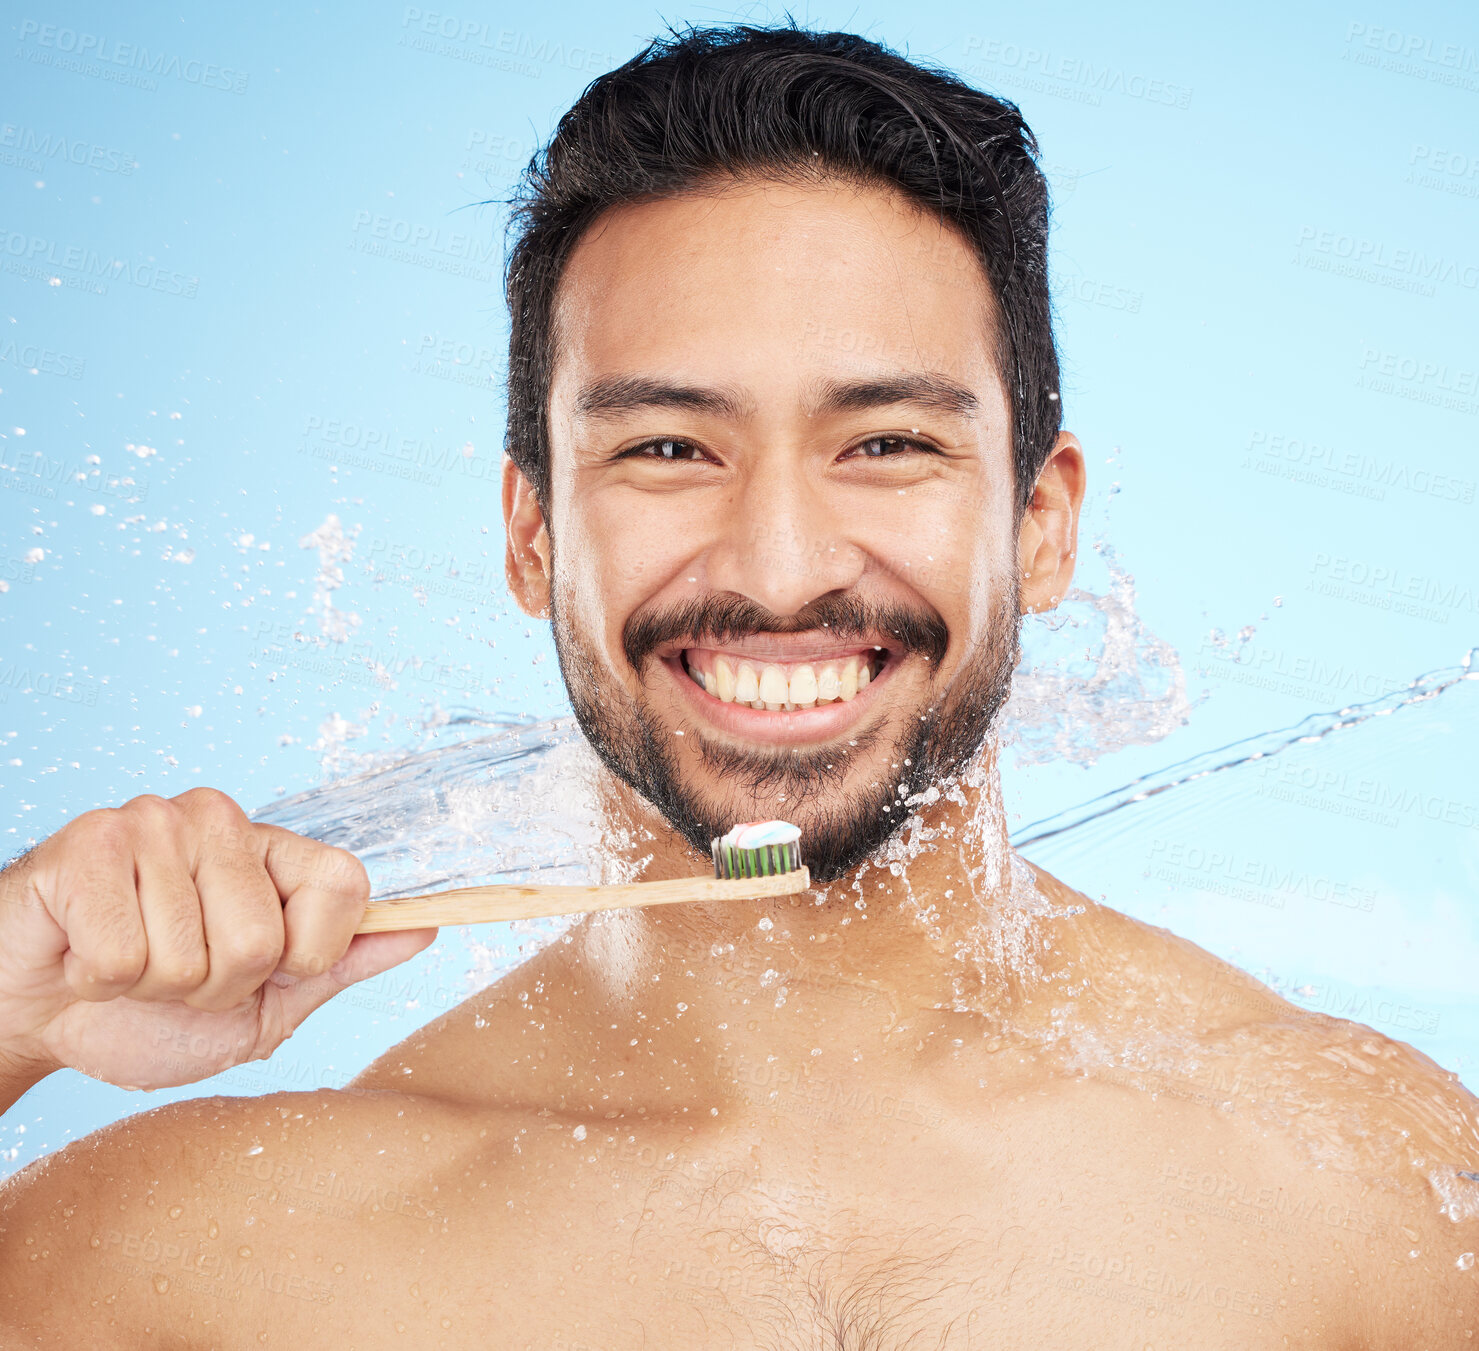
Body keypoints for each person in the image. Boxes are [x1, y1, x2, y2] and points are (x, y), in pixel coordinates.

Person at [1, 22, 1475, 1348]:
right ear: (531, 533)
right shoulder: (213, 1259)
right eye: (667, 448)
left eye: (887, 442)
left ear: (1041, 522)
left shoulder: (1368, 1186)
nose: (778, 567)